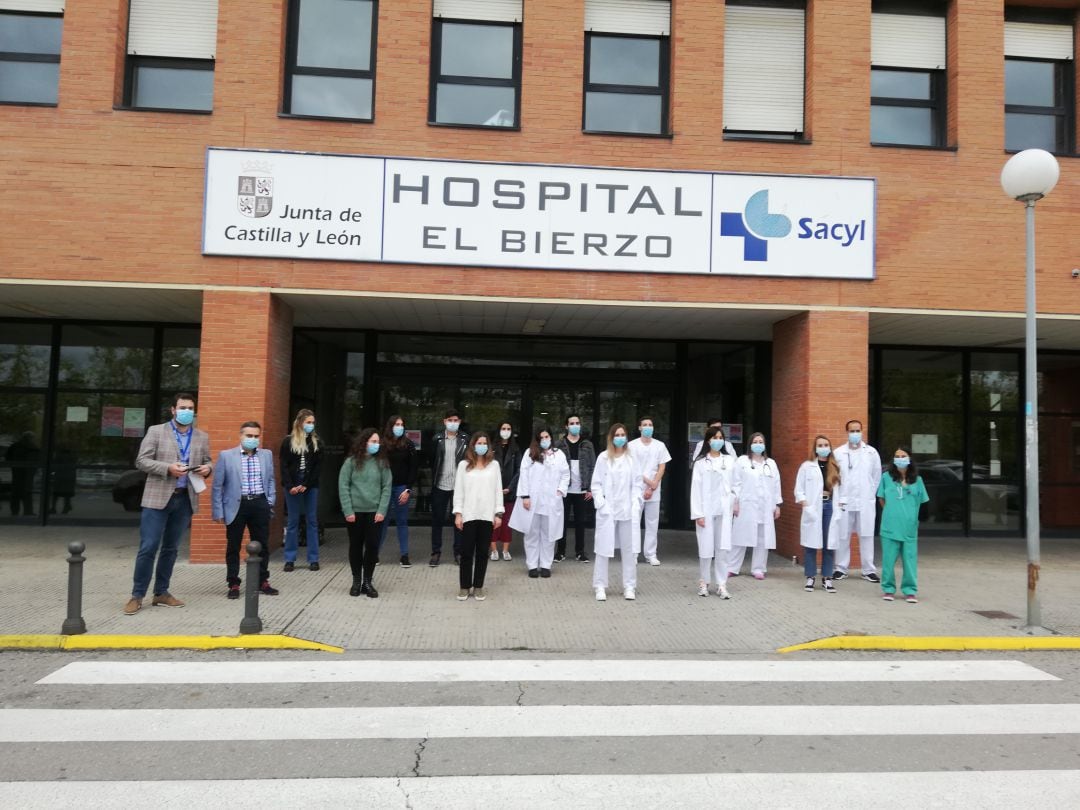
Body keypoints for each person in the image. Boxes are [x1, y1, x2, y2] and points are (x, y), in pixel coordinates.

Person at [124, 393, 212, 615]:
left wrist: (208, 469)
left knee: (171, 549)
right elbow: (141, 461)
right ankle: (137, 595)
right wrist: (167, 468)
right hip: (157, 498)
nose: (187, 411)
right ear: (173, 410)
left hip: (184, 498)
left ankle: (161, 592)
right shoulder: (156, 431)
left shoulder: (201, 436)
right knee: (148, 547)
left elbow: (207, 461)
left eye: (191, 408)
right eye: (183, 407)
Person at [212, 421, 278, 600]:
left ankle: (262, 580)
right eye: (249, 436)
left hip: (259, 504)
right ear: (240, 436)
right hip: (236, 506)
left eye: (256, 436)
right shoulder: (226, 456)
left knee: (262, 544)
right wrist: (218, 511)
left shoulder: (266, 455)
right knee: (233, 546)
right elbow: (218, 486)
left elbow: (271, 479)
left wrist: (269, 501)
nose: (253, 439)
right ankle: (233, 582)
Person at [509, 427, 570, 579]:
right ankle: (532, 565)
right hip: (533, 501)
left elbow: (565, 474)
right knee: (532, 533)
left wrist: (560, 491)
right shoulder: (530, 453)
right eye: (541, 438)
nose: (544, 440)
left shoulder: (559, 454)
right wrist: (525, 496)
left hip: (551, 501)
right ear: (537, 439)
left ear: (551, 437)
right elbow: (523, 474)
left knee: (548, 534)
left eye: (547, 436)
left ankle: (545, 565)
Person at [590, 423, 641, 601]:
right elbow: (595, 485)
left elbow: (637, 484)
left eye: (623, 434)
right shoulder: (603, 458)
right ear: (611, 437)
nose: (620, 437)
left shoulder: (631, 458)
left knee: (628, 550)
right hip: (608, 511)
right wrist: (602, 504)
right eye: (617, 434)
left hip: (626, 510)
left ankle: (629, 586)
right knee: (603, 549)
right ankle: (600, 585)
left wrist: (635, 504)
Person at [339, 427, 391, 598]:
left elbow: (386, 487)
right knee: (355, 546)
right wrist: (348, 510)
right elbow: (343, 486)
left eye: (378, 442)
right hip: (355, 512)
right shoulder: (351, 462)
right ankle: (356, 581)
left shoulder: (382, 463)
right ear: (364, 442)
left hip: (374, 513)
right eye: (373, 441)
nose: (376, 444)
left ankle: (367, 582)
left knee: (372, 547)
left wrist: (381, 510)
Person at [453, 431, 505, 601]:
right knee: (466, 552)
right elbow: (458, 491)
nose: (481, 446)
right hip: (469, 514)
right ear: (473, 445)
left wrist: (498, 513)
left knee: (483, 553)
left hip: (487, 515)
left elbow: (498, 490)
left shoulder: (494, 466)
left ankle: (478, 586)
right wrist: (458, 513)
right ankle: (464, 586)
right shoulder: (463, 466)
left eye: (484, 443)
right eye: (479, 443)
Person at [877, 446, 929, 603]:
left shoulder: (918, 480)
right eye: (897, 455)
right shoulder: (886, 477)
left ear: (909, 458)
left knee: (910, 560)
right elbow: (881, 498)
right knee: (888, 560)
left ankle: (910, 591)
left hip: (909, 527)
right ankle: (888, 589)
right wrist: (893, 512)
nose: (900, 458)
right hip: (890, 526)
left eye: (903, 455)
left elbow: (921, 501)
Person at [832, 419, 882, 583]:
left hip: (865, 501)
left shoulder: (871, 453)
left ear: (862, 431)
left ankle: (868, 570)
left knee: (866, 535)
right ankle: (840, 568)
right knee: (842, 536)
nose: (855, 434)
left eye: (857, 430)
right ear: (847, 432)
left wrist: (869, 495)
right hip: (845, 501)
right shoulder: (839, 453)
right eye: (852, 431)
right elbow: (834, 477)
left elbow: (876, 476)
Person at [690, 425, 736, 599]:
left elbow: (736, 484)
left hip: (724, 511)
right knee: (705, 549)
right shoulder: (701, 463)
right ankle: (704, 582)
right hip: (706, 511)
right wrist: (698, 514)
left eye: (720, 438)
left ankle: (721, 584)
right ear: (708, 441)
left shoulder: (730, 461)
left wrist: (733, 500)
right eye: (714, 438)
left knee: (723, 549)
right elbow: (695, 489)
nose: (718, 441)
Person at [729, 432, 782, 579]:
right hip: (746, 505)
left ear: (764, 445)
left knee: (762, 538)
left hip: (765, 507)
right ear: (750, 444)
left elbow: (777, 485)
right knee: (739, 537)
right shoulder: (742, 461)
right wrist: (735, 502)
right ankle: (732, 567)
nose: (758, 444)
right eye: (756, 441)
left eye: (761, 442)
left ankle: (758, 569)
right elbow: (735, 483)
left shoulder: (770, 463)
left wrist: (777, 505)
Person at [794, 435, 842, 593]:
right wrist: (804, 502)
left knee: (829, 543)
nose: (823, 447)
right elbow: (798, 489)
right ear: (815, 448)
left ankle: (827, 577)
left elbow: (843, 489)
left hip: (830, 506)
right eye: (820, 445)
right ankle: (810, 576)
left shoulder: (835, 466)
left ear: (830, 447)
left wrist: (841, 505)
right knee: (811, 543)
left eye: (826, 444)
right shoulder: (806, 466)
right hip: (813, 507)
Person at [280, 409, 322, 573]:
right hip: (292, 486)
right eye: (308, 422)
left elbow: (318, 467)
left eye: (312, 423)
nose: (311, 425)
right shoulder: (288, 442)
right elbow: (283, 466)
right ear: (299, 423)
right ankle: (290, 559)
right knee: (292, 522)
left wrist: (306, 484)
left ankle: (313, 558)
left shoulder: (317, 442)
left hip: (310, 486)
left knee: (312, 521)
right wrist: (290, 486)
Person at [628, 416, 671, 566]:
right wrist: (649, 483)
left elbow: (662, 466)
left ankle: (651, 554)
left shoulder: (660, 445)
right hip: (637, 488)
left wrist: (654, 485)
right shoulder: (632, 445)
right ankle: (633, 553)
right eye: (644, 425)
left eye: (650, 425)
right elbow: (633, 468)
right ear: (639, 428)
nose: (648, 427)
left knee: (652, 523)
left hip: (654, 489)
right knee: (634, 521)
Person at [429, 409, 469, 567]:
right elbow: (431, 460)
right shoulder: (436, 439)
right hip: (440, 485)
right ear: (444, 421)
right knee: (437, 520)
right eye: (450, 420)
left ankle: (458, 552)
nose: (453, 423)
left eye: (456, 420)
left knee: (458, 521)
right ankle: (435, 552)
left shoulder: (466, 439)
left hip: (458, 487)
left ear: (459, 422)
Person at [555, 414, 594, 563]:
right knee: (562, 522)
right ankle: (560, 552)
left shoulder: (587, 444)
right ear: (566, 426)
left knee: (580, 522)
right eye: (572, 423)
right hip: (564, 489)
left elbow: (592, 467)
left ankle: (580, 552)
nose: (575, 425)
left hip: (582, 489)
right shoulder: (559, 445)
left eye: (577, 423)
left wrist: (590, 488)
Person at [381, 414, 418, 568]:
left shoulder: (408, 444)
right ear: (390, 426)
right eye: (397, 424)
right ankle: (374, 553)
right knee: (382, 521)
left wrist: (408, 489)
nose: (400, 427)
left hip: (402, 488)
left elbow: (413, 468)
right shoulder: (382, 444)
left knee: (402, 522)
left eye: (402, 424)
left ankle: (404, 555)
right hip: (385, 488)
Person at [490, 421, 520, 562]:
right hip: (493, 492)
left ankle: (506, 550)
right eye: (503, 428)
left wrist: (510, 487)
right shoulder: (492, 448)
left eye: (508, 428)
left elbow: (519, 470)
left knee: (507, 523)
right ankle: (494, 550)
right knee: (494, 522)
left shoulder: (515, 449)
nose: (506, 431)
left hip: (509, 492)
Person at [6, 430, 40, 516]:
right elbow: (37, 460)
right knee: (27, 492)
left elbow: (8, 457)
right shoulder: (32, 447)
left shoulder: (14, 446)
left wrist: (13, 466)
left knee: (15, 493)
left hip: (17, 472)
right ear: (30, 438)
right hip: (27, 473)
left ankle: (14, 511)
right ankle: (28, 511)